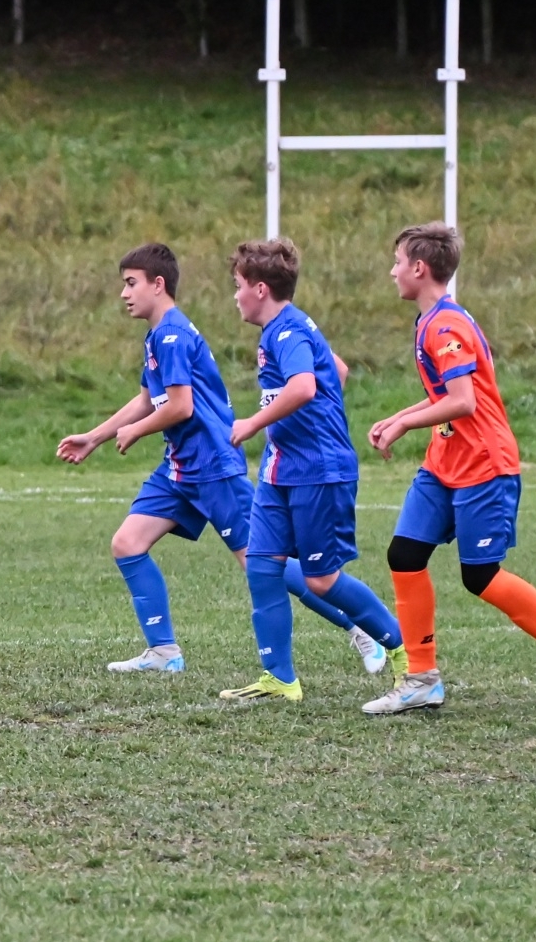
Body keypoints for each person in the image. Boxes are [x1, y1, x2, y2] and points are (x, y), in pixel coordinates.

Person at [57, 243, 392, 675]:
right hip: (180, 466)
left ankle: (359, 628)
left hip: (213, 465)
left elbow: (181, 406)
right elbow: (146, 399)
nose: (124, 293)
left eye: (131, 283)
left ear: (157, 285)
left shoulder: (174, 336)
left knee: (262, 564)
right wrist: (94, 437)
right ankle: (163, 652)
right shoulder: (158, 335)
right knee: (127, 543)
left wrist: (137, 431)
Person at [364, 222, 536, 717]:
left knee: (481, 577)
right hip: (444, 463)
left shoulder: (445, 326)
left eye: (397, 262)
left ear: (419, 268)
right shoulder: (432, 320)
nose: (392, 271)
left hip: (483, 465)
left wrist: (405, 423)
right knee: (405, 554)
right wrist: (398, 417)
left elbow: (464, 402)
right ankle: (421, 679)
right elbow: (445, 395)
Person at [220, 239, 403, 705]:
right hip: (281, 467)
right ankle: (280, 678)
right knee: (263, 566)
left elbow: (304, 386)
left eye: (238, 286)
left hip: (318, 470)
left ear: (260, 289)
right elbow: (336, 369)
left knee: (321, 580)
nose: (235, 296)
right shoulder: (287, 328)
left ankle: (405, 652)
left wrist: (254, 423)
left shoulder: (286, 332)